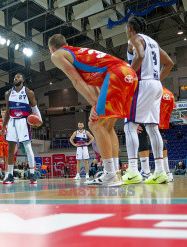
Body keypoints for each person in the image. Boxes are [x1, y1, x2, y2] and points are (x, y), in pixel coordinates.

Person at [48, 33, 138, 186]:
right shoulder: (78, 53)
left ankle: (110, 174)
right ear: (66, 43)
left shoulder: (57, 55)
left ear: (51, 48)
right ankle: (115, 172)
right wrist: (95, 103)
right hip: (128, 73)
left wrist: (94, 105)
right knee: (108, 126)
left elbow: (75, 80)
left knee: (95, 124)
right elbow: (95, 83)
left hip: (115, 74)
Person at [121, 17, 174, 185]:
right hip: (156, 85)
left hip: (142, 84)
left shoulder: (134, 39)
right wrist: (156, 80)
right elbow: (169, 63)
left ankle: (133, 171)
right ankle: (160, 172)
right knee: (152, 128)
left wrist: (129, 76)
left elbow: (140, 55)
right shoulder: (153, 42)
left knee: (129, 125)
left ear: (130, 28)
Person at [0, 73, 42, 185]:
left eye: (18, 77)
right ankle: (10, 175)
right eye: (14, 77)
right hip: (12, 121)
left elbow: (34, 108)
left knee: (27, 146)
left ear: (23, 80)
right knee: (10, 149)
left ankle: (32, 174)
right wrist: (4, 126)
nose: (16, 78)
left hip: (24, 121)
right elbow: (8, 111)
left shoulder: (28, 92)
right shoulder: (8, 93)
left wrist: (40, 120)